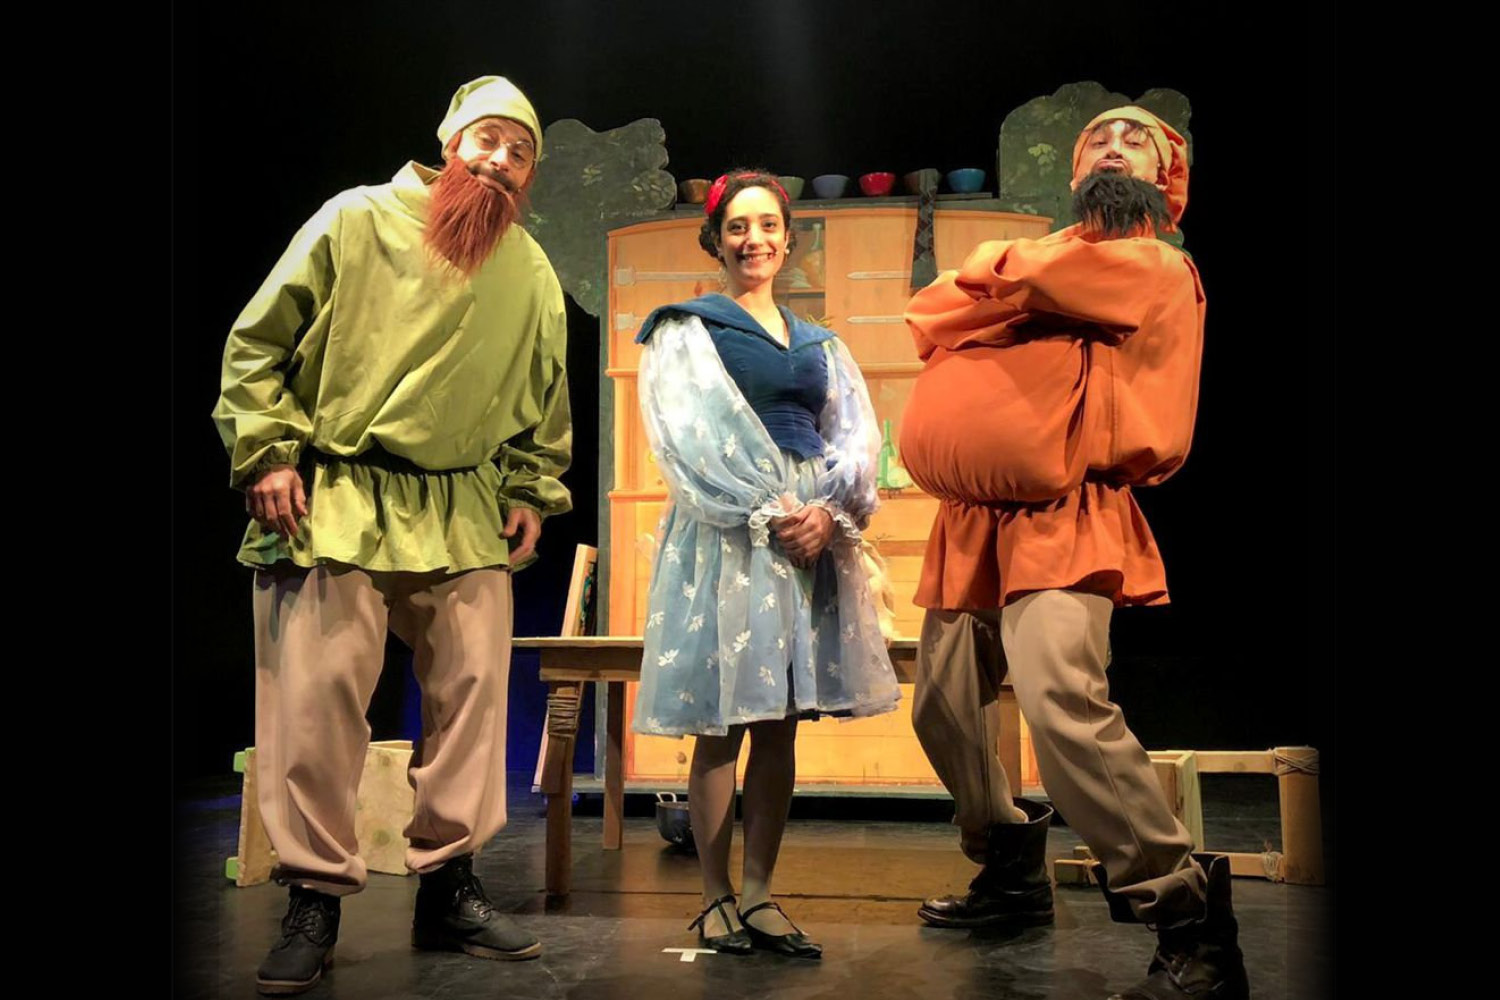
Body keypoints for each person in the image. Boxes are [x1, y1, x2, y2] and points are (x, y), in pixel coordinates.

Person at [212, 75, 572, 995]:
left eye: (520, 152)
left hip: (462, 502)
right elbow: (257, 345)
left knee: (474, 694)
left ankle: (449, 884)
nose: (500, 162)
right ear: (451, 143)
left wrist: (531, 486)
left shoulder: (529, 267)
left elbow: (546, 395)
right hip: (341, 488)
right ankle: (314, 896)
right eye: (487, 140)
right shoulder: (357, 218)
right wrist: (267, 454)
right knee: (318, 701)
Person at [900, 107, 1248, 1000]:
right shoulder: (1053, 259)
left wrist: (995, 275)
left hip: (1066, 510)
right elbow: (929, 310)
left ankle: (1188, 918)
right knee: (941, 704)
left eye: (1135, 141)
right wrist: (1014, 286)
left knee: (1062, 704)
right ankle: (1009, 866)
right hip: (972, 520)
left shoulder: (1156, 264)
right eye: (1098, 140)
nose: (1112, 149)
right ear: (1075, 169)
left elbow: (993, 288)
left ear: (1167, 178)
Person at [631, 169, 901, 960]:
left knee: (780, 726)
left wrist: (828, 512)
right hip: (732, 535)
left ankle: (759, 894)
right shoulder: (688, 328)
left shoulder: (820, 343)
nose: (754, 240)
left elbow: (854, 436)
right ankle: (715, 898)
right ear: (715, 240)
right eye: (738, 227)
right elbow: (684, 432)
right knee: (724, 721)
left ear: (788, 238)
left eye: (768, 226)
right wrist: (766, 508)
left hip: (807, 538)